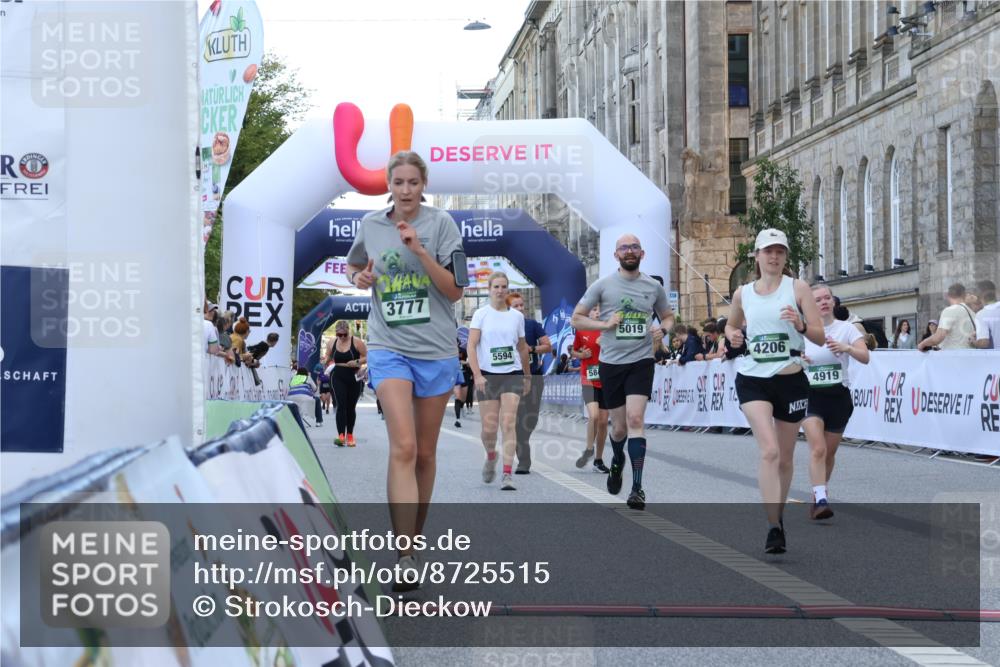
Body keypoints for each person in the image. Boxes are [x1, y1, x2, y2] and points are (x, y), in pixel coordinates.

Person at [345, 150, 465, 591]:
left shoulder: (442, 226)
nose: (406, 190)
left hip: (435, 350)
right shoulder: (371, 225)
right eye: (399, 182)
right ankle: (405, 553)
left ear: (423, 184)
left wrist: (419, 250)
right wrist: (359, 278)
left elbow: (454, 292)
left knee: (427, 454)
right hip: (388, 345)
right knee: (405, 447)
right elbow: (355, 265)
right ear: (389, 185)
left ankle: (414, 538)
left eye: (414, 182)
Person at [724, 228, 824, 554]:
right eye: (768, 251)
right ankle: (772, 526)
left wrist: (799, 326)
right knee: (768, 451)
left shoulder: (798, 288)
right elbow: (731, 324)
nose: (774, 256)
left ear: (786, 256)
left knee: (784, 458)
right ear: (757, 256)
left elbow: (820, 336)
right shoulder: (743, 293)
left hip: (790, 378)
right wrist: (733, 336)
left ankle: (777, 516)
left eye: (780, 251)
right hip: (753, 378)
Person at [571, 233, 673, 510]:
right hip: (612, 363)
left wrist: (662, 329)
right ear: (616, 255)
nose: (630, 251)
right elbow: (576, 317)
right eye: (624, 248)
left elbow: (668, 315)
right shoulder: (603, 286)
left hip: (641, 361)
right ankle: (617, 461)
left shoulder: (652, 287)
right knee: (618, 428)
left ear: (642, 253)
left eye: (635, 247)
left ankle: (637, 487)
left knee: (636, 419)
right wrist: (605, 326)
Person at [801, 284, 869, 520]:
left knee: (828, 454)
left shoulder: (847, 329)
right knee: (818, 448)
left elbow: (865, 356)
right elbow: (787, 358)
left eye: (827, 298)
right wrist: (799, 358)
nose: (823, 302)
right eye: (817, 299)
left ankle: (819, 491)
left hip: (838, 396)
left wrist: (846, 348)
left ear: (833, 301)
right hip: (810, 395)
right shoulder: (803, 331)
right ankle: (821, 499)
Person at [468, 272, 530, 491]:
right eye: (496, 286)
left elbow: (522, 348)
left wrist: (527, 375)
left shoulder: (517, 317)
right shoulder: (481, 314)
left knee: (508, 423)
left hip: (511, 374)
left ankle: (506, 474)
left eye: (504, 286)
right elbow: (471, 346)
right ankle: (491, 455)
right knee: (489, 429)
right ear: (489, 288)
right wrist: (477, 375)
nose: (500, 290)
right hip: (487, 375)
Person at [508, 292, 552, 474]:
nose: (520, 309)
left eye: (521, 305)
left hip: (534, 377)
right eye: (515, 306)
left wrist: (531, 349)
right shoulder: (504, 327)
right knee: (519, 420)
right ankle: (523, 460)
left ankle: (522, 441)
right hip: (513, 378)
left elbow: (548, 346)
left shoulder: (532, 325)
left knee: (531, 419)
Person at [571, 305, 610, 473]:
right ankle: (589, 449)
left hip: (607, 379)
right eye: (594, 309)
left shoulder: (610, 330)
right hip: (588, 378)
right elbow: (573, 351)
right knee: (593, 416)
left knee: (602, 422)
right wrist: (581, 355)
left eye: (600, 309)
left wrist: (607, 344)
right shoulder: (582, 330)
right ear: (588, 312)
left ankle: (598, 460)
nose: (597, 312)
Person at [325, 320, 367, 446]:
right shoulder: (332, 342)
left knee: (350, 407)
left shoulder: (357, 342)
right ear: (336, 333)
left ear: (349, 331)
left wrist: (357, 362)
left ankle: (350, 435)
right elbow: (327, 356)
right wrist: (325, 360)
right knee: (340, 406)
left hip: (354, 376)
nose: (342, 337)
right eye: (339, 335)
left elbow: (367, 356)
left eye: (345, 334)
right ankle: (341, 436)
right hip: (337, 375)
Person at [917, 283, 978, 351]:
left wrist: (922, 344)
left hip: (953, 357)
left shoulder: (949, 311)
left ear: (948, 296)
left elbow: (938, 337)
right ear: (964, 295)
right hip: (970, 356)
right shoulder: (972, 313)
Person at [974, 279, 999, 350]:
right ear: (995, 292)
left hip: (996, 357)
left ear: (978, 296)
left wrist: (974, 342)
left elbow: (984, 343)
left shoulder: (981, 315)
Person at [453, 344, 472, 427]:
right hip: (455, 377)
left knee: (463, 398)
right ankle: (458, 420)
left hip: (465, 376)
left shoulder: (464, 351)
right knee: (457, 397)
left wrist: (466, 363)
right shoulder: (448, 351)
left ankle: (462, 406)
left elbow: (469, 363)